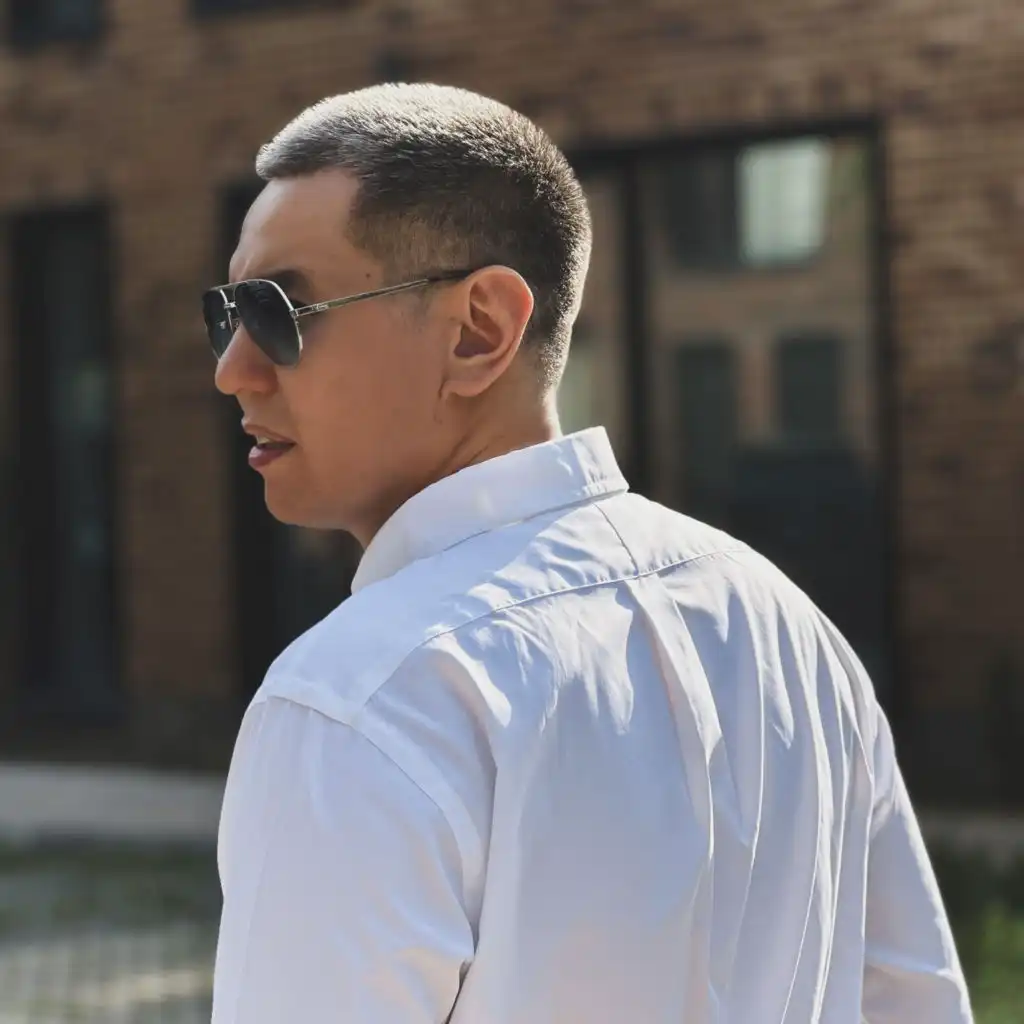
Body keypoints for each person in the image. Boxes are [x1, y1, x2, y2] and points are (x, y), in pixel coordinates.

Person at [205, 84, 972, 1023]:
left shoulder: (362, 699)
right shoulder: (786, 629)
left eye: (277, 311)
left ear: (480, 330)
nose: (232, 369)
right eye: (225, 314)